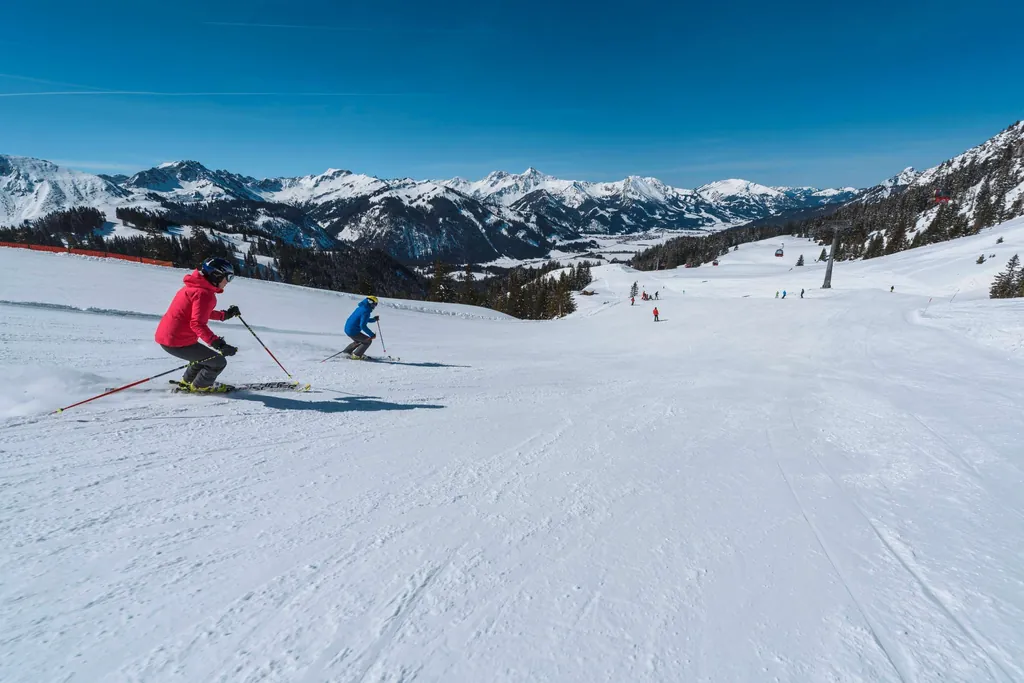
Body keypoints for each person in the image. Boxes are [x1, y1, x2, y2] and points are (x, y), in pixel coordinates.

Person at [155, 257, 240, 392]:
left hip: (169, 336)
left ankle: (187, 382)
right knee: (218, 362)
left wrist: (223, 315)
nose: (228, 282)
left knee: (204, 357)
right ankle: (201, 386)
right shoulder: (204, 294)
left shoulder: (194, 287)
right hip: (177, 341)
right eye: (228, 277)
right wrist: (219, 344)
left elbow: (198, 312)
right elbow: (198, 324)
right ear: (216, 275)